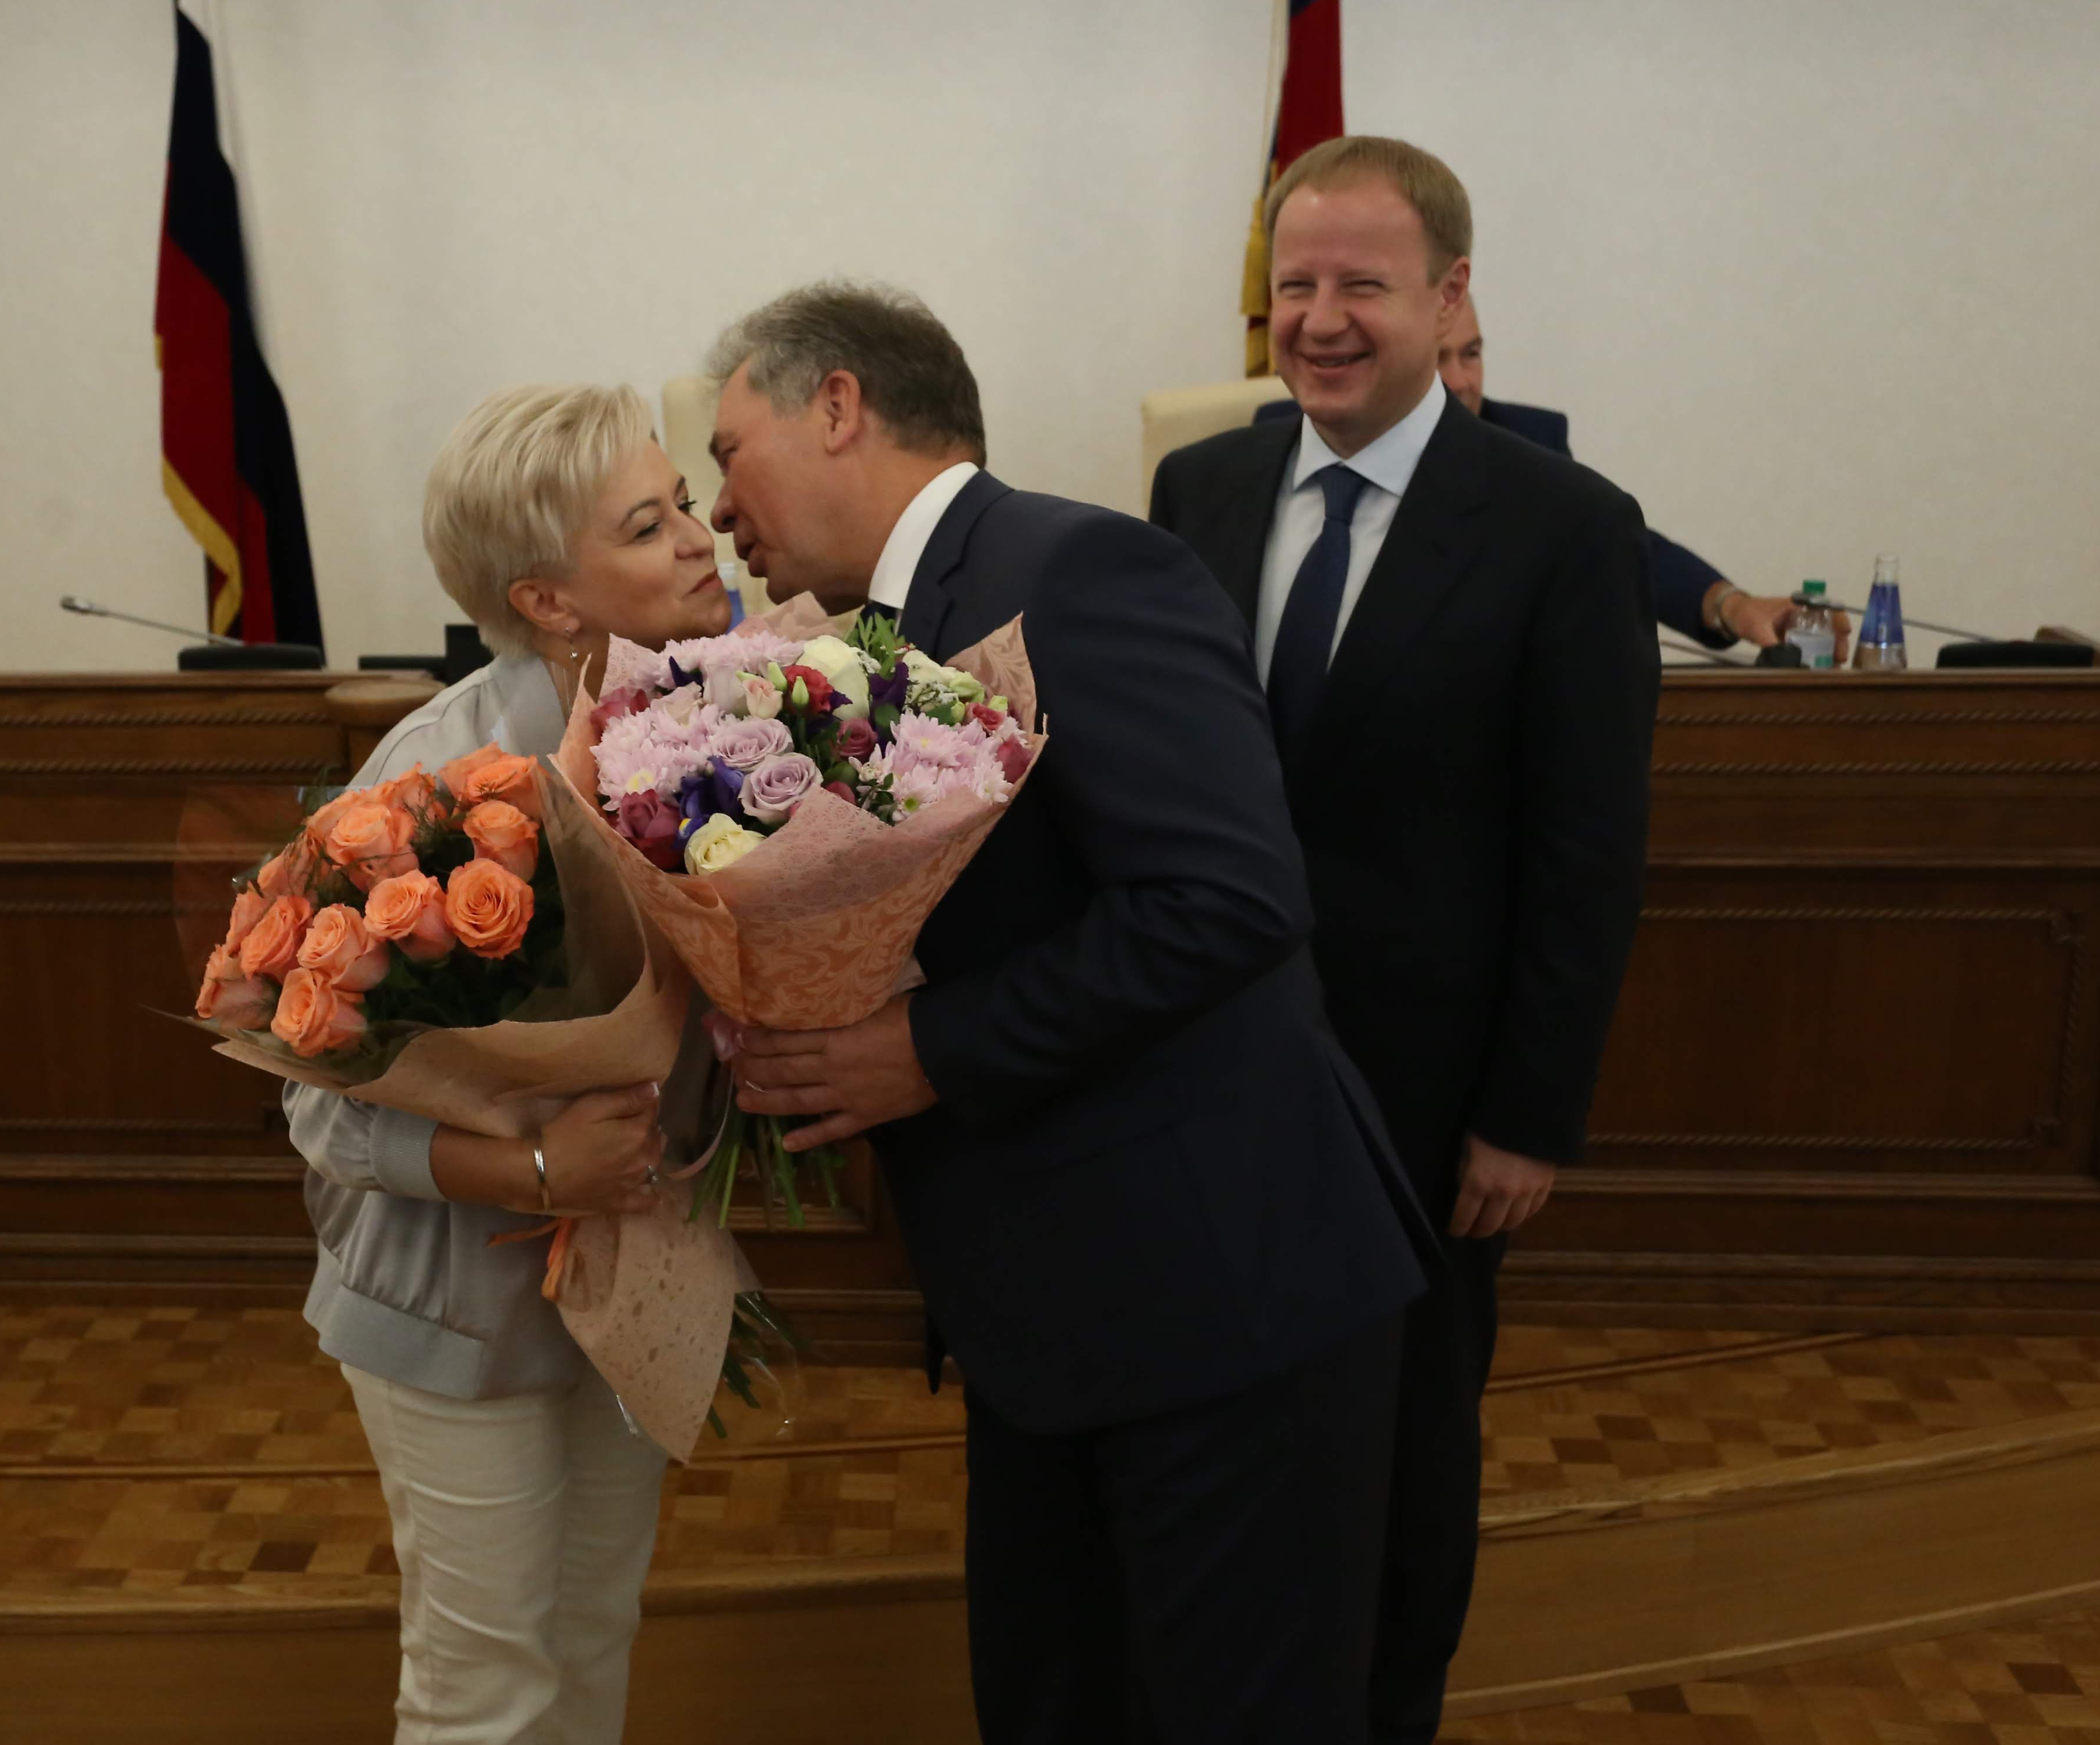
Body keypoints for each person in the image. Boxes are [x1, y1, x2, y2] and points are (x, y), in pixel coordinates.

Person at [704, 281, 1426, 1742]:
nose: (718, 508)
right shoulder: (860, 640)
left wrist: (923, 1049)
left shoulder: (1077, 566)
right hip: (1055, 1315)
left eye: (727, 453)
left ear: (836, 407)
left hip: (1221, 1301)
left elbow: (1226, 897)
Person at [1150, 137, 1659, 1745]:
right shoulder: (1198, 492)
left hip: (1427, 1106)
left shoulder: (1566, 527)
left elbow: (1587, 852)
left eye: (1360, 284)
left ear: (1448, 297)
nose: (1318, 319)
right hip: (1201, 1076)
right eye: (1294, 283)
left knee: (1405, 1452)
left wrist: (1528, 1111)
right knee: (1220, 1431)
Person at [283, 383, 732, 1745]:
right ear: (546, 598)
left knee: (590, 1645)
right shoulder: (430, 788)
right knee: (485, 1696)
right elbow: (320, 1116)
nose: (701, 538)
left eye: (686, 504)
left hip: (626, 1275)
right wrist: (537, 1162)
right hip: (452, 1304)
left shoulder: (724, 731)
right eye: (648, 526)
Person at [1259, 297, 1804, 651]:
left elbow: (1618, 550)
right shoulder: (1282, 438)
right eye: (1437, 359)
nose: (1462, 382)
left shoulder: (1524, 442)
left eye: (1472, 354)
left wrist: (1733, 606)